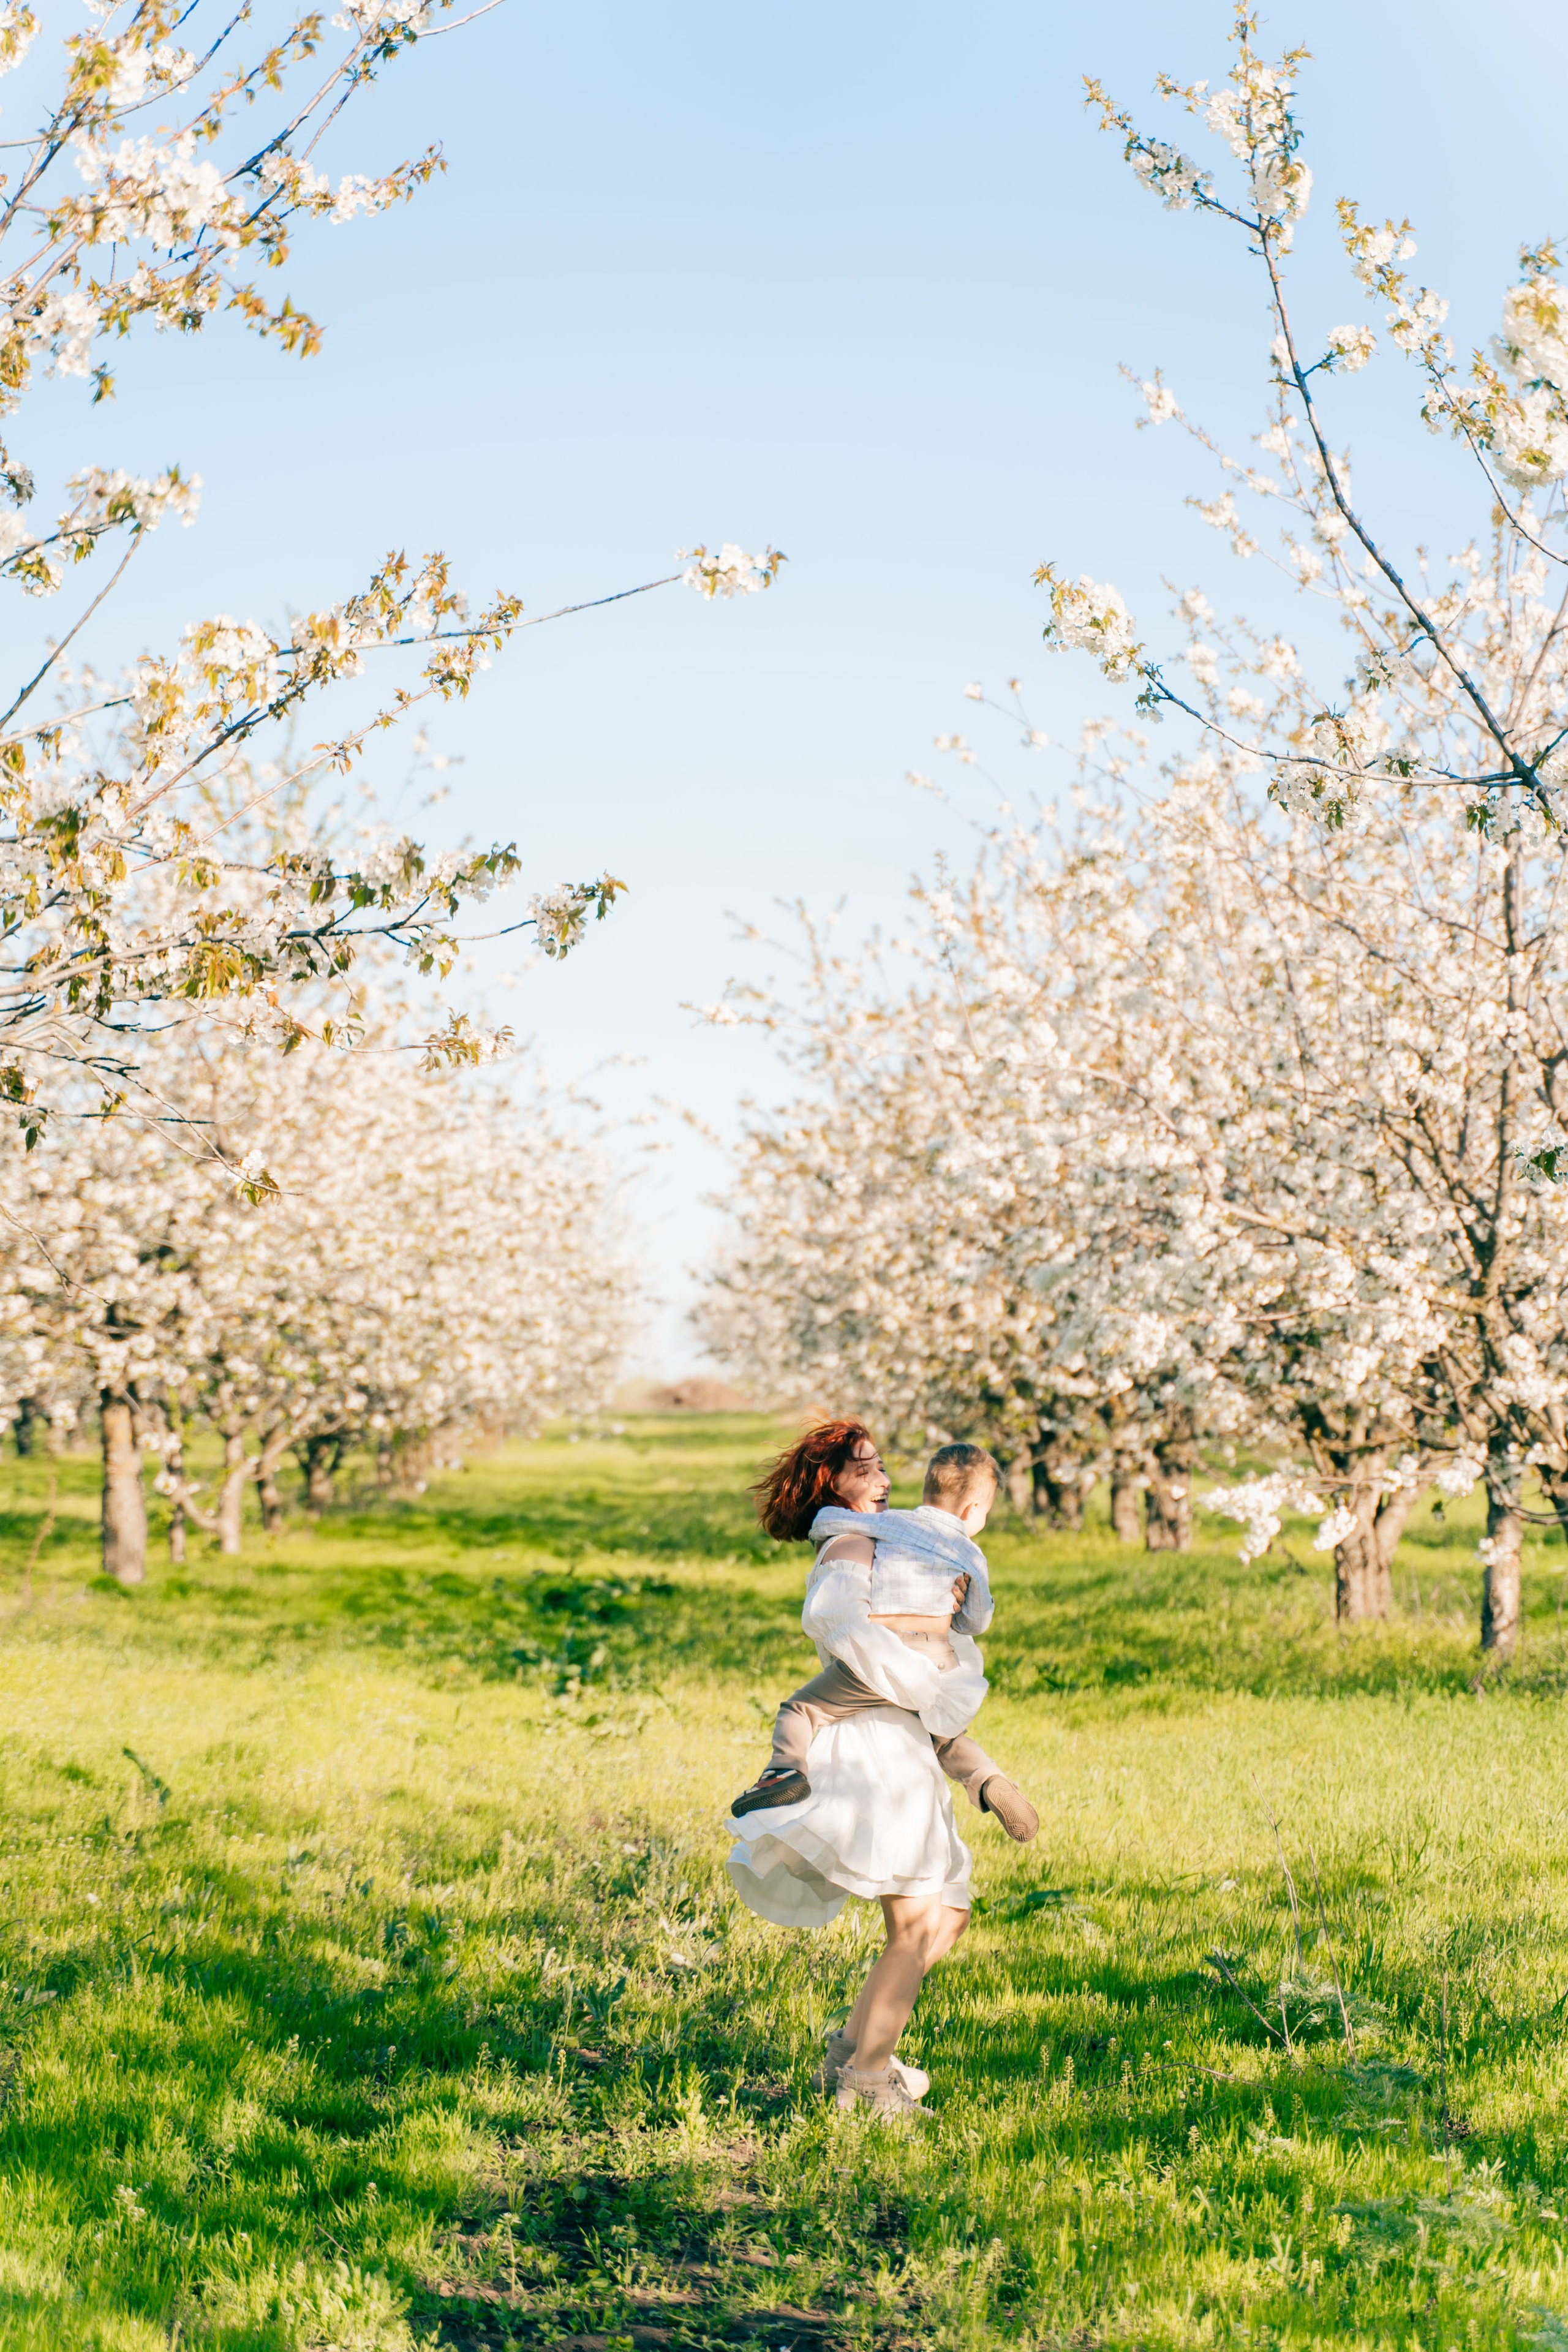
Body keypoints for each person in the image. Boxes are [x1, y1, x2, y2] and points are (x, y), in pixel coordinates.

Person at [723, 1422, 1032, 2118]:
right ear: (833, 1482)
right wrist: (920, 1673)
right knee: (916, 1925)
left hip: (907, 1735)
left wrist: (941, 1628)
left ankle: (855, 2051)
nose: (883, 1481)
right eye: (865, 1470)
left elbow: (941, 1612)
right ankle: (867, 2083)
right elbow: (837, 1621)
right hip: (874, 1736)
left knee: (947, 1914)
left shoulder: (897, 1533)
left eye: (884, 1467)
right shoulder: (852, 1538)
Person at [729, 1441, 1038, 1841]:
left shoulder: (897, 1524)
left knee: (802, 1710)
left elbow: (831, 1522)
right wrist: (962, 1607)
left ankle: (783, 1772)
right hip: (940, 1660)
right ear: (972, 1511)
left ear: (928, 1490)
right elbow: (977, 1621)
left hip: (886, 1656)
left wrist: (818, 1528)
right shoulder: (972, 1554)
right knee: (944, 1738)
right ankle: (987, 1779)